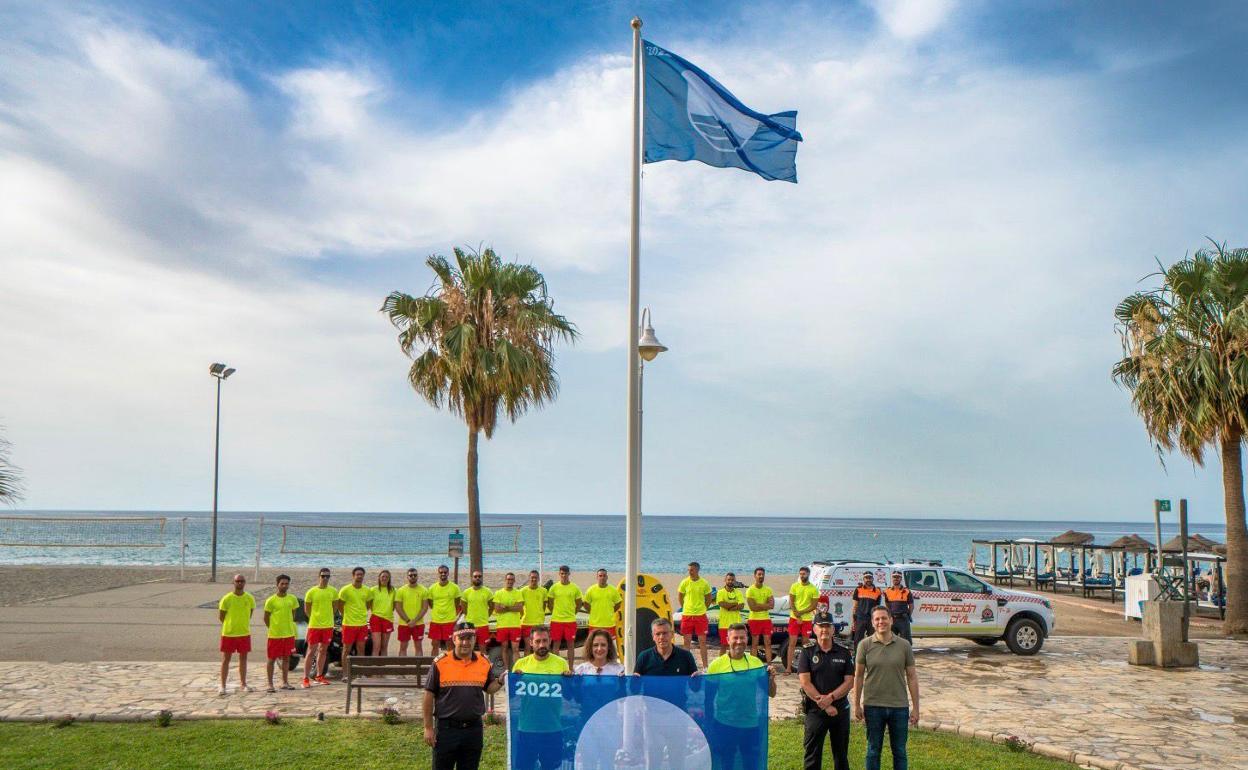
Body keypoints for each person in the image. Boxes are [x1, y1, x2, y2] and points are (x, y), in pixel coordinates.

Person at [423, 620, 504, 770]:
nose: (465, 642)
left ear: (475, 640)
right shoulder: (440, 663)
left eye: (470, 638)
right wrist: (428, 727)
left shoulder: (483, 661)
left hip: (474, 730)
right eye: (462, 638)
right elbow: (428, 695)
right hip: (447, 729)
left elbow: (489, 688)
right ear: (454, 639)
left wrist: (500, 681)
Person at [853, 606, 920, 770]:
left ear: (891, 620)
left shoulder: (904, 646)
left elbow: (912, 677)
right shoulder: (864, 645)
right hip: (873, 706)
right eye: (877, 619)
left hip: (899, 707)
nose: (880, 622)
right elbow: (859, 676)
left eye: (884, 618)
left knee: (899, 751)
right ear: (872, 622)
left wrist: (916, 708)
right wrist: (856, 704)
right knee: (873, 750)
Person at [706, 623, 777, 769]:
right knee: (727, 764)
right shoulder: (716, 665)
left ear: (747, 638)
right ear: (727, 639)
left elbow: (771, 693)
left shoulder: (756, 663)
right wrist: (710, 725)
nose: (739, 641)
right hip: (724, 724)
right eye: (735, 638)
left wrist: (771, 679)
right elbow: (708, 699)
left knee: (750, 764)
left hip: (750, 724)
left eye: (742, 638)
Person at [634, 618, 699, 770]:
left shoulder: (685, 656)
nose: (661, 637)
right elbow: (636, 689)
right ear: (653, 636)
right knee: (653, 760)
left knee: (677, 760)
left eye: (665, 633)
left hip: (678, 715)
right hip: (652, 717)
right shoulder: (644, 657)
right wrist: (632, 680)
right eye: (658, 634)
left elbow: (695, 688)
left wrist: (697, 680)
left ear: (671, 635)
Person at [797, 610, 855, 770]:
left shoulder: (844, 652)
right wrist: (825, 704)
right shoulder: (807, 653)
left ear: (833, 629)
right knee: (812, 756)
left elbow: (849, 681)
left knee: (841, 755)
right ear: (814, 629)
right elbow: (805, 682)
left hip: (840, 712)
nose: (824, 630)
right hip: (816, 712)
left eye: (828, 626)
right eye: (821, 626)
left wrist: (831, 698)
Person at [511, 625, 572, 770]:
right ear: (531, 643)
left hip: (552, 729)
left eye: (545, 641)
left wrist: (570, 681)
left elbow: (569, 696)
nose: (542, 645)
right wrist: (512, 680)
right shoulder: (521, 664)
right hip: (526, 729)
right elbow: (512, 695)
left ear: (550, 640)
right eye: (538, 641)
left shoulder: (561, 663)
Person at [218, 573, 255, 695]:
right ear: (233, 583)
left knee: (243, 659)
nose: (240, 583)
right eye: (237, 581)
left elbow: (250, 613)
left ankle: (243, 684)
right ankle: (222, 686)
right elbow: (221, 616)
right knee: (225, 660)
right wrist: (230, 624)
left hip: (244, 633)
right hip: (229, 634)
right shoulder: (226, 599)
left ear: (245, 583)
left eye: (242, 581)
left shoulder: (249, 598)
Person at [262, 573, 299, 692]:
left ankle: (285, 682)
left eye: (286, 584)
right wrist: (273, 627)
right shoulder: (271, 600)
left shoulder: (292, 599)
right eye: (282, 583)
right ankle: (270, 684)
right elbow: (266, 617)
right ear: (277, 585)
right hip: (275, 635)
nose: (284, 586)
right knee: (271, 659)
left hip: (288, 634)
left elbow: (293, 614)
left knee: (287, 658)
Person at [302, 568, 337, 687]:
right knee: (311, 651)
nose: (325, 578)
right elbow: (307, 610)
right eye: (323, 576)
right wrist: (315, 618)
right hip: (314, 626)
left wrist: (328, 619)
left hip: (328, 626)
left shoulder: (333, 591)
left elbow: (335, 607)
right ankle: (306, 678)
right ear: (319, 576)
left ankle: (319, 675)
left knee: (323, 651)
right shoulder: (311, 591)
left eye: (328, 576)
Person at [678, 561, 713, 669]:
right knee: (687, 642)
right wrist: (686, 607)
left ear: (697, 570)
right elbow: (680, 596)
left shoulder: (704, 583)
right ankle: (685, 666)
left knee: (702, 642)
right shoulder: (684, 582)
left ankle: (705, 666)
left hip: (700, 616)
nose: (690, 572)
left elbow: (709, 598)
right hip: (687, 615)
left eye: (692, 570)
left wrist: (703, 608)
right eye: (688, 570)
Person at [546, 565, 582, 667]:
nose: (564, 575)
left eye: (565, 573)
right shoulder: (554, 588)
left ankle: (570, 668)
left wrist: (573, 612)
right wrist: (555, 612)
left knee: (571, 645)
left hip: (570, 621)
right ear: (559, 574)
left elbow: (579, 603)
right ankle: (556, 666)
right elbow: (550, 603)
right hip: (556, 620)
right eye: (562, 573)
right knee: (556, 645)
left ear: (569, 574)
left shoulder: (575, 588)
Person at [787, 566, 821, 673]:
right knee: (792, 643)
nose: (802, 575)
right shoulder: (794, 586)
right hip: (794, 619)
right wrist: (797, 616)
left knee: (806, 643)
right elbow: (791, 602)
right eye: (800, 574)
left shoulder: (813, 589)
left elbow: (813, 606)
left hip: (806, 620)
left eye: (804, 574)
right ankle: (788, 668)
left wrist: (800, 613)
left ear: (808, 574)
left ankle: (805, 668)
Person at [491, 572, 524, 670]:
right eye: (508, 579)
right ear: (505, 580)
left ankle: (516, 669)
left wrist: (505, 607)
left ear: (514, 581)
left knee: (516, 649)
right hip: (502, 625)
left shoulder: (518, 593)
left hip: (515, 625)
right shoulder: (498, 593)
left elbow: (519, 608)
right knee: (504, 648)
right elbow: (497, 609)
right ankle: (506, 669)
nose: (510, 581)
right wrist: (512, 607)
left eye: (511, 580)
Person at [338, 566, 372, 659]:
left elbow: (368, 604)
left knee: (361, 649)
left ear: (363, 576)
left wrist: (361, 612)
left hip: (362, 624)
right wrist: (345, 614)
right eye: (357, 574)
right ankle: (345, 673)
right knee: (346, 649)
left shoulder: (367, 590)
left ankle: (360, 672)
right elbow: (340, 605)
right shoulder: (345, 590)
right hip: (348, 624)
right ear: (353, 576)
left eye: (361, 574)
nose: (359, 576)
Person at [428, 564, 462, 654]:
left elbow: (457, 603)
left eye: (445, 572)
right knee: (434, 644)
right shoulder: (432, 588)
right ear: (438, 573)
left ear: (448, 573)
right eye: (441, 572)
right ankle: (433, 665)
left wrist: (452, 614)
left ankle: (450, 665)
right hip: (436, 620)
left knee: (450, 644)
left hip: (449, 621)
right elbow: (431, 604)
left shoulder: (455, 588)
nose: (443, 574)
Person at [396, 567, 430, 656]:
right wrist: (408, 621)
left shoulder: (423, 590)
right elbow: (398, 608)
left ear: (417, 576)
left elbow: (425, 608)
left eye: (415, 575)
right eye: (411, 575)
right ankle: (402, 669)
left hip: (418, 624)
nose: (413, 577)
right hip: (404, 624)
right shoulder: (401, 590)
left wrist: (414, 621)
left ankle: (418, 669)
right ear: (407, 577)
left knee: (418, 647)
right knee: (403, 647)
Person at [583, 568, 622, 643]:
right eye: (600, 576)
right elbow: (585, 603)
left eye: (604, 576)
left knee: (609, 646)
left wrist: (610, 611)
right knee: (593, 645)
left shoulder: (613, 590)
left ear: (607, 577)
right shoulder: (591, 590)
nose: (602, 578)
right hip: (594, 624)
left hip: (609, 624)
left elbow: (618, 603)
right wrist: (593, 611)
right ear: (597, 577)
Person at [745, 567, 775, 662]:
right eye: (759, 574)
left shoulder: (768, 589)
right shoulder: (750, 590)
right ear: (755, 576)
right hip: (754, 619)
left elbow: (772, 605)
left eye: (762, 574)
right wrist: (765, 605)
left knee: (768, 643)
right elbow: (752, 608)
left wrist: (758, 605)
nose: (761, 576)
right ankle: (753, 665)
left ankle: (769, 664)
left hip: (766, 619)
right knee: (755, 644)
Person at [461, 571, 494, 649]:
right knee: (469, 648)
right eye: (475, 576)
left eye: (479, 576)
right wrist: (468, 616)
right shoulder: (466, 592)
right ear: (472, 578)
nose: (477, 578)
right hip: (470, 625)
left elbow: (492, 607)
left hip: (483, 625)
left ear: (482, 578)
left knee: (483, 649)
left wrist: (486, 616)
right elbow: (464, 607)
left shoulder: (488, 592)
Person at [851, 572, 883, 647]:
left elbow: (877, 608)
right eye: (866, 578)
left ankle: (871, 656)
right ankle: (857, 656)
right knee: (858, 639)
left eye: (870, 578)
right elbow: (855, 606)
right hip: (860, 618)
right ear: (863, 579)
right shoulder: (858, 589)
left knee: (873, 639)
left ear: (873, 579)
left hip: (871, 619)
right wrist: (853, 621)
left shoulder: (878, 591)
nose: (868, 579)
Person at [370, 569, 397, 655]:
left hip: (388, 619)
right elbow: (369, 604)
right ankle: (374, 667)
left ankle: (382, 667)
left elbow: (394, 605)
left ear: (389, 579)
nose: (384, 578)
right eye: (382, 577)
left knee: (384, 646)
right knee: (376, 646)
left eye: (386, 577)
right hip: (375, 619)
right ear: (379, 578)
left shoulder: (393, 590)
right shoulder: (373, 590)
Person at [519, 569, 548, 649]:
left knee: (539, 647)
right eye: (532, 577)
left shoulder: (543, 591)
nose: (534, 579)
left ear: (538, 579)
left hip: (538, 622)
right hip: (526, 623)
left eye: (536, 577)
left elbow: (544, 606)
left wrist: (539, 614)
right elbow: (520, 606)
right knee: (527, 647)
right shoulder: (522, 591)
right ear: (529, 578)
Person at [716, 572, 744, 649]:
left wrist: (729, 607)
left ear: (735, 581)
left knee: (735, 646)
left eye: (732, 580)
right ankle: (722, 661)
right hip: (724, 624)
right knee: (724, 646)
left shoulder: (738, 592)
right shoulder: (720, 592)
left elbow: (741, 606)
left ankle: (734, 661)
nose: (730, 581)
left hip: (736, 624)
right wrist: (735, 603)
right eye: (728, 579)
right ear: (725, 580)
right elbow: (722, 604)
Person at [883, 571, 914, 642]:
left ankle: (906, 653)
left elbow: (911, 606)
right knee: (891, 640)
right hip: (892, 619)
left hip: (903, 619)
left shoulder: (906, 591)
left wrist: (908, 615)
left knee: (906, 641)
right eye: (894, 577)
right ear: (892, 578)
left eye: (898, 577)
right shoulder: (887, 591)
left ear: (901, 579)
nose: (896, 579)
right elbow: (887, 604)